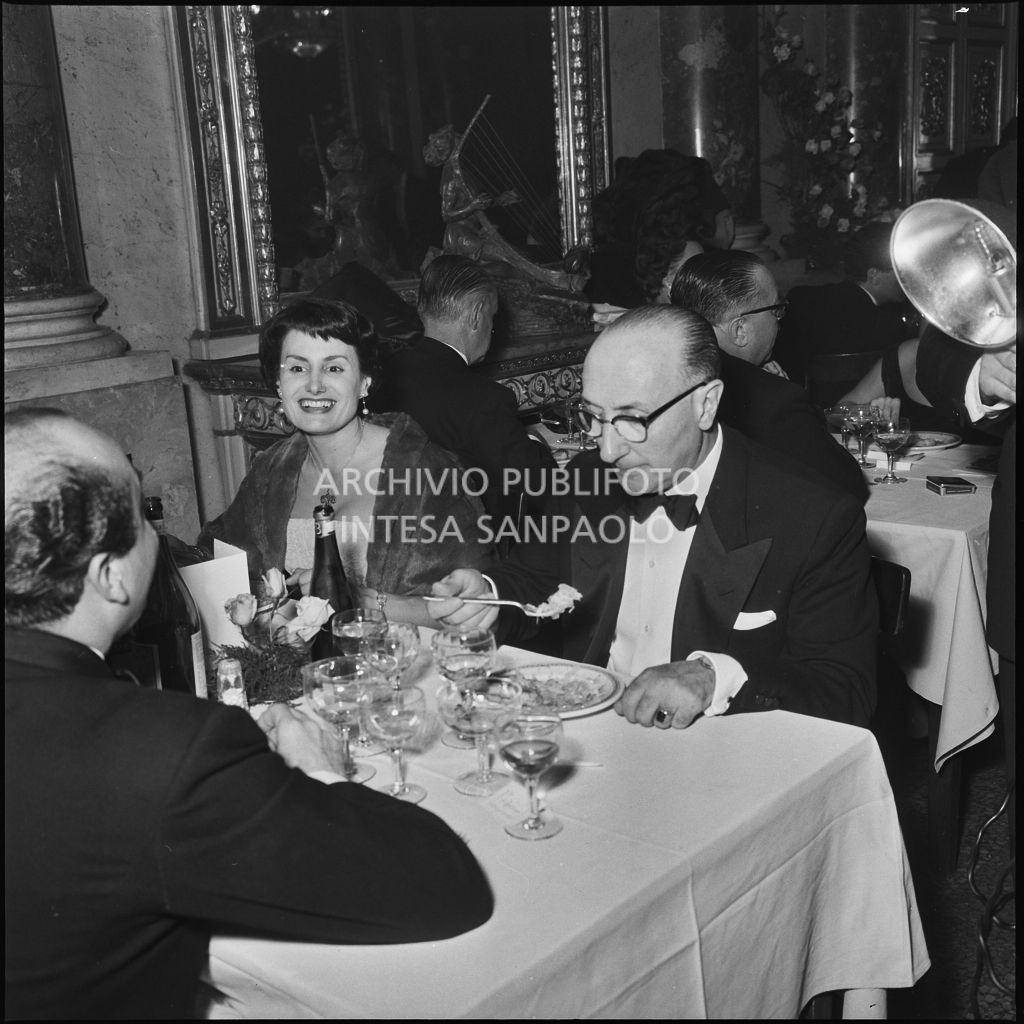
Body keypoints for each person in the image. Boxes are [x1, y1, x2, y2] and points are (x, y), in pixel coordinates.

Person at [4, 408, 493, 1019]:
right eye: (140, 516)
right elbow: (445, 886)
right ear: (109, 577)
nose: (156, 535)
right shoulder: (163, 753)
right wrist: (319, 773)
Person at [433, 305, 877, 729]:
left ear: (706, 404)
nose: (608, 451)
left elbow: (846, 692)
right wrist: (487, 598)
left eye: (632, 420)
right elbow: (534, 581)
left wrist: (713, 678)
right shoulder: (586, 479)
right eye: (594, 418)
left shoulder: (812, 515)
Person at [199, 296, 491, 625]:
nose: (314, 384)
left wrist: (360, 599)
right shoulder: (269, 473)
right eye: (297, 368)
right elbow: (217, 564)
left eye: (334, 368)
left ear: (365, 382)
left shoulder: (426, 473)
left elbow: (470, 611)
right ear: (279, 385)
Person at [369, 255, 557, 529]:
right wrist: (535, 440)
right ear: (477, 314)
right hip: (464, 549)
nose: (492, 330)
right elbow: (540, 489)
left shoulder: (380, 376)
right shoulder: (484, 399)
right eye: (492, 318)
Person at [671, 249, 868, 502]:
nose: (780, 322)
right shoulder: (770, 397)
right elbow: (846, 484)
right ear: (740, 330)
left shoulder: (658, 378)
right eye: (776, 310)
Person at [771, 221, 919, 384]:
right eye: (900, 270)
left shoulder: (801, 297)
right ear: (874, 275)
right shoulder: (889, 327)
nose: (907, 278)